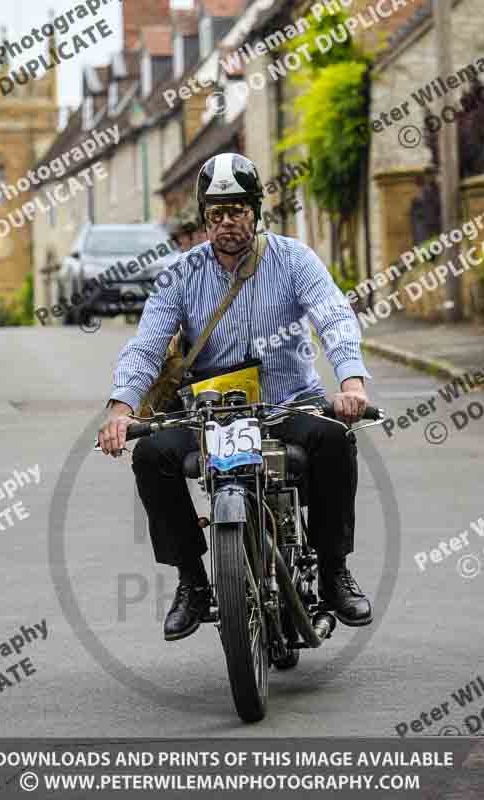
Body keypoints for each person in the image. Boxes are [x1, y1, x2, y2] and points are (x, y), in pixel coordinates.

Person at [99, 153, 373, 642]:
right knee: (151, 455)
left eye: (238, 210)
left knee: (334, 440)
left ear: (256, 212)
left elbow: (333, 315)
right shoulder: (180, 274)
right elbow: (145, 344)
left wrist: (351, 382)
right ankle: (193, 581)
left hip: (286, 404)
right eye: (217, 213)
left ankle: (334, 572)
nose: (228, 222)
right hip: (211, 415)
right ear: (204, 218)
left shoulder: (294, 259)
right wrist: (120, 409)